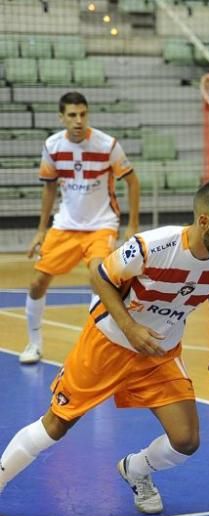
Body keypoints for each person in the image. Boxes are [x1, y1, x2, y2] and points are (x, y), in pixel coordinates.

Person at [0, 180, 209, 515]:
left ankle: (136, 469)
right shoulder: (153, 246)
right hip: (107, 344)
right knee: (57, 424)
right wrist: (131, 328)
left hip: (159, 354)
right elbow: (101, 278)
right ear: (204, 221)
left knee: (186, 441)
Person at [20, 91, 141, 365]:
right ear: (61, 117)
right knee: (37, 282)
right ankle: (34, 344)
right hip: (65, 225)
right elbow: (49, 189)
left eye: (83, 114)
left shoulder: (107, 145)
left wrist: (132, 225)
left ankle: (96, 350)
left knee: (98, 279)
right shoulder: (52, 146)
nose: (78, 120)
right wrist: (41, 230)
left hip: (101, 224)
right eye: (72, 115)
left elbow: (133, 182)